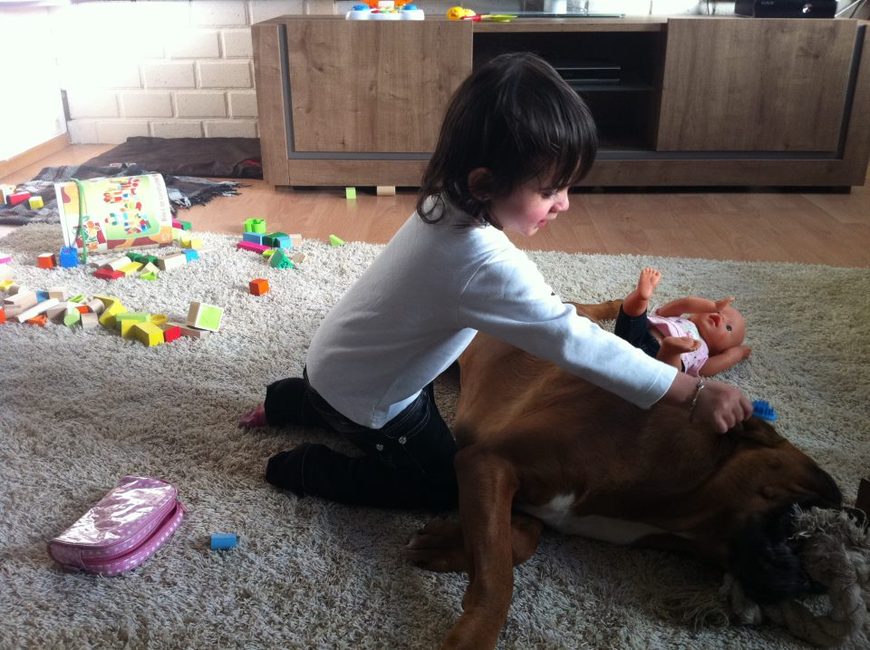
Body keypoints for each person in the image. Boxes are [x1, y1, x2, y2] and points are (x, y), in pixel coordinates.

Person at [239, 52, 753, 511]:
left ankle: (289, 400)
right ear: (485, 182)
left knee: (346, 391)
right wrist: (689, 392)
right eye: (550, 190)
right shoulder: (481, 264)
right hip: (372, 396)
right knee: (443, 487)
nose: (565, 204)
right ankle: (303, 467)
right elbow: (574, 340)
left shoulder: (443, 198)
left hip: (334, 360)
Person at [615, 267, 752, 376]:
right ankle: (641, 297)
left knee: (673, 375)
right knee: (634, 314)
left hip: (656, 361)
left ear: (719, 352)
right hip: (639, 333)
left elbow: (726, 359)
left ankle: (671, 350)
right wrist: (714, 306)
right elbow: (685, 303)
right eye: (718, 312)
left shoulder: (702, 355)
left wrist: (739, 353)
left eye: (728, 328)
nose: (720, 319)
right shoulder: (678, 318)